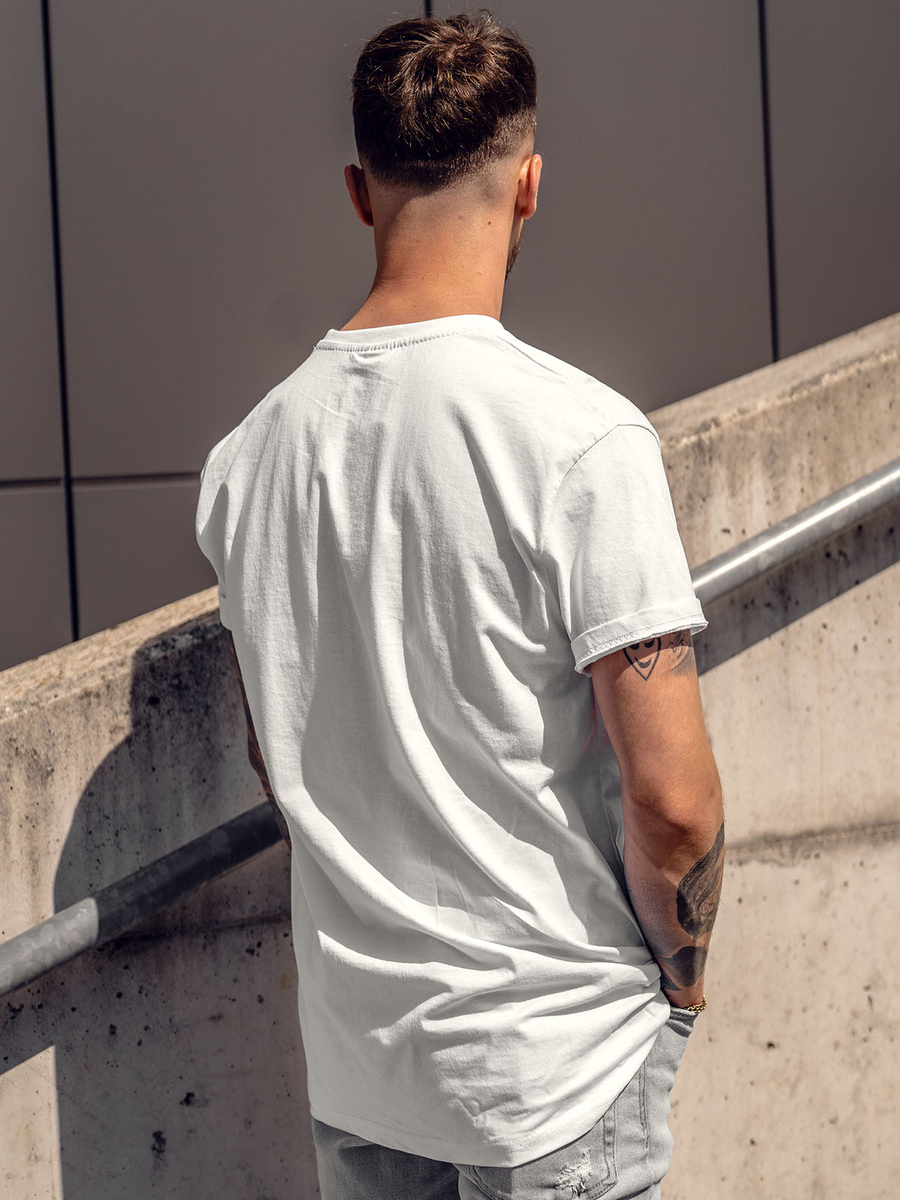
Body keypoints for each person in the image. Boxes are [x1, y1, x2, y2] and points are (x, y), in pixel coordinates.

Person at [195, 11, 724, 1199]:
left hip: (362, 1079)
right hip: (553, 1071)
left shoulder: (248, 461)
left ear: (357, 191)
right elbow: (674, 801)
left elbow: (276, 756)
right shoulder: (581, 440)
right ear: (530, 186)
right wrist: (681, 991)